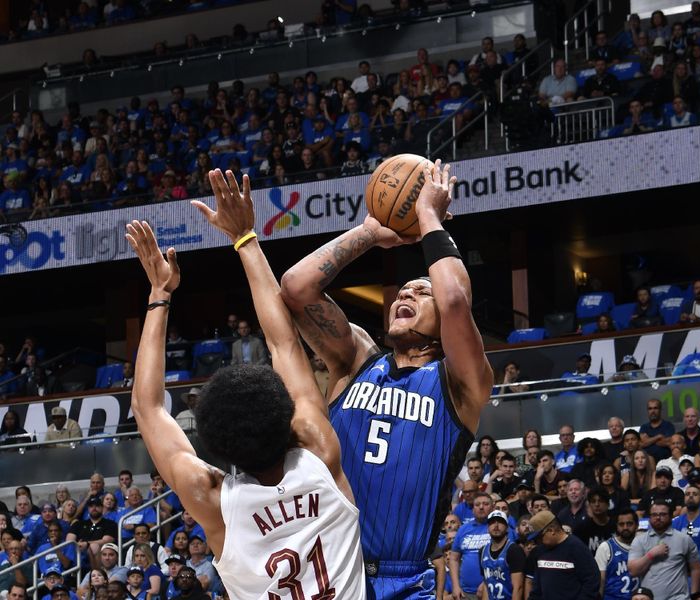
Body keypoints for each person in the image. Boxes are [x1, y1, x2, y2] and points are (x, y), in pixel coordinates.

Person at [127, 169, 366, 597]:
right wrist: (244, 237)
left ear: (217, 442)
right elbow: (284, 345)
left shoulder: (214, 500)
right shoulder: (319, 453)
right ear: (285, 415)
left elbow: (148, 408)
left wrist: (160, 294)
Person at [279, 159, 493, 599]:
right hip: (330, 571)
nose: (407, 294)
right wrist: (371, 233)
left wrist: (429, 216)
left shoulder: (461, 384)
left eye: (421, 290)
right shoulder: (355, 359)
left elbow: (454, 298)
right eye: (403, 291)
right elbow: (296, 288)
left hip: (404, 579)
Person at [628, 501, 700, 598]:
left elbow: (695, 569)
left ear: (671, 516)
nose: (658, 518)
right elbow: (633, 571)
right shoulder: (639, 540)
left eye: (663, 514)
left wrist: (694, 595)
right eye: (654, 515)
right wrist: (651, 554)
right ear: (649, 517)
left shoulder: (684, 539)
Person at [523, 510, 600, 600]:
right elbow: (537, 587)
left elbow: (591, 582)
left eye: (539, 538)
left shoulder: (576, 547)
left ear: (551, 530)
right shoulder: (540, 551)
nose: (537, 542)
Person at [449, 492, 492, 599]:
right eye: (477, 505)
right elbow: (454, 559)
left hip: (491, 589)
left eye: (485, 504)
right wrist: (455, 586)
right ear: (473, 509)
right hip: (465, 592)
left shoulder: (497, 528)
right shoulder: (463, 529)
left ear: (493, 507)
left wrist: (486, 583)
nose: (481, 507)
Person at [478, 510, 525, 600]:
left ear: (507, 527)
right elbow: (486, 585)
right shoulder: (482, 551)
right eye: (492, 522)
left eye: (500, 522)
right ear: (488, 527)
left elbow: (518, 588)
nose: (496, 525)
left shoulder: (514, 550)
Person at [595, 509, 640, 600]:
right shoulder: (606, 547)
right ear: (616, 526)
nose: (625, 527)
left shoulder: (643, 544)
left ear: (637, 525)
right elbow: (600, 580)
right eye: (621, 524)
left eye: (629, 524)